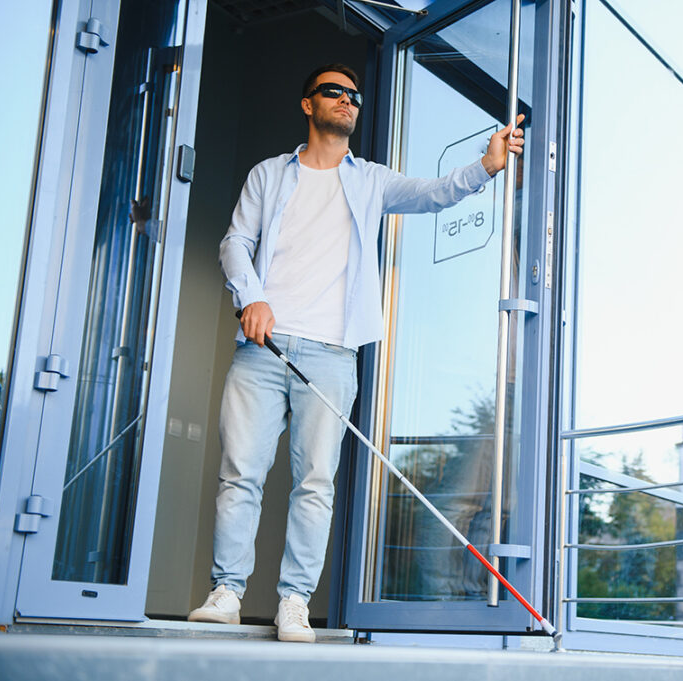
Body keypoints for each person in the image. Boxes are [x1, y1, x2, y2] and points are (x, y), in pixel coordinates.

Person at [187, 62, 524, 642]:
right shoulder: (269, 175)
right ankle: (227, 593)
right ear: (308, 105)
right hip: (263, 347)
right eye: (334, 92)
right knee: (240, 474)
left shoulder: (370, 179)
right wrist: (252, 298)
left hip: (332, 354)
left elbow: (436, 193)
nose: (348, 101)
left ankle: (293, 601)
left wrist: (487, 165)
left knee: (315, 482)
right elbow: (235, 242)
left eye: (355, 96)